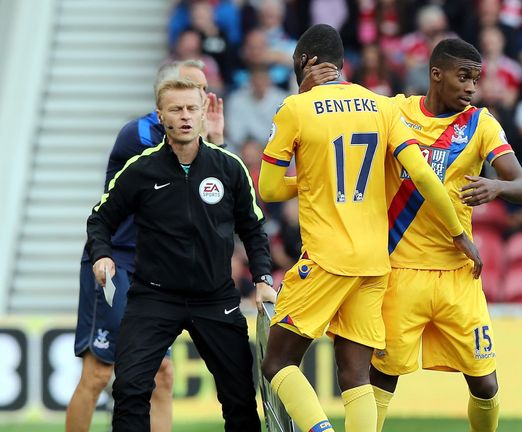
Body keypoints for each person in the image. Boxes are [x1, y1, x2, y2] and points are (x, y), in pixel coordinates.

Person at [299, 37, 522, 432]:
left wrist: (497, 187)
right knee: (383, 377)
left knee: (485, 382)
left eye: (475, 79)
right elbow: (338, 112)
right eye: (463, 77)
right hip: (399, 270)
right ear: (436, 74)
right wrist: (306, 92)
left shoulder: (481, 124)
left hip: (459, 274)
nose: (471, 88)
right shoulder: (396, 111)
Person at [258, 25, 482, 432]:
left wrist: (313, 179)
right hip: (375, 262)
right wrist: (458, 234)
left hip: (326, 258)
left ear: (307, 62)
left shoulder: (295, 108)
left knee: (277, 362)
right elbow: (424, 177)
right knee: (355, 375)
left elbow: (270, 189)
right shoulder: (381, 106)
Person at [86, 78, 274, 431]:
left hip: (215, 297)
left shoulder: (229, 167)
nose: (185, 116)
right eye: (176, 109)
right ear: (161, 116)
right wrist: (102, 255)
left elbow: (253, 228)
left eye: (192, 108)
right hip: (153, 297)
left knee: (240, 397)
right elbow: (100, 219)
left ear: (204, 114)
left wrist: (263, 278)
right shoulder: (140, 170)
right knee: (129, 389)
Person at [66, 59, 224, 432]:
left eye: (203, 93)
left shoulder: (197, 140)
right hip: (115, 262)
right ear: (166, 99)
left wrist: (216, 142)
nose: (203, 99)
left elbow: (213, 198)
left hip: (156, 271)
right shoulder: (138, 134)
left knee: (163, 373)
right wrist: (211, 141)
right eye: (196, 89)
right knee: (99, 373)